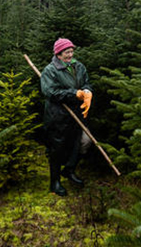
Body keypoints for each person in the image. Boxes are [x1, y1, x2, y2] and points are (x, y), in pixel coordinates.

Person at [40, 38, 93, 196]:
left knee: (83, 141)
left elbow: (86, 83)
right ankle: (54, 183)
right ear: (59, 54)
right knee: (57, 149)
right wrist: (74, 93)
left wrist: (87, 92)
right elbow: (50, 92)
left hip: (77, 115)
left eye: (71, 51)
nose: (70, 54)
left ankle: (69, 170)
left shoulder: (79, 66)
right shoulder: (50, 70)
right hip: (58, 116)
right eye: (67, 52)